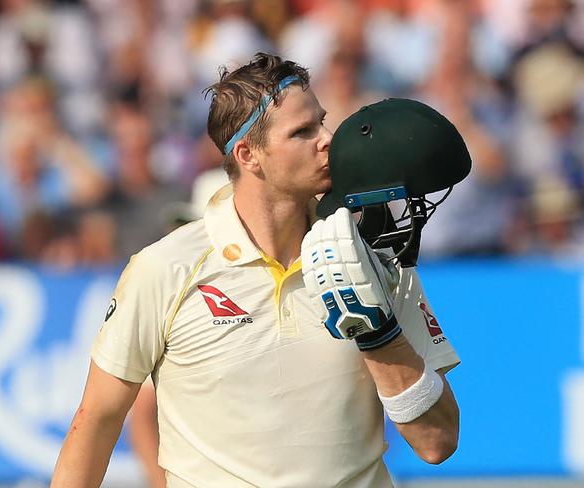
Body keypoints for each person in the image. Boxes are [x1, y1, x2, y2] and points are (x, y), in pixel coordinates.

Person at [51, 52, 460, 488]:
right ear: (248, 155)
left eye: (322, 122)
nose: (327, 140)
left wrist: (379, 335)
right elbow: (96, 421)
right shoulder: (165, 267)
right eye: (303, 132)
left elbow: (438, 441)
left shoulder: (375, 257)